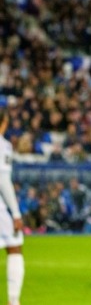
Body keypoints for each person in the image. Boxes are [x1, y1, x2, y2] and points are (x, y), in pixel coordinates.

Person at [0, 106, 24, 305]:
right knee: (15, 247)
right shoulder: (3, 145)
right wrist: (16, 213)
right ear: (4, 123)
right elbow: (3, 180)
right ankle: (13, 301)